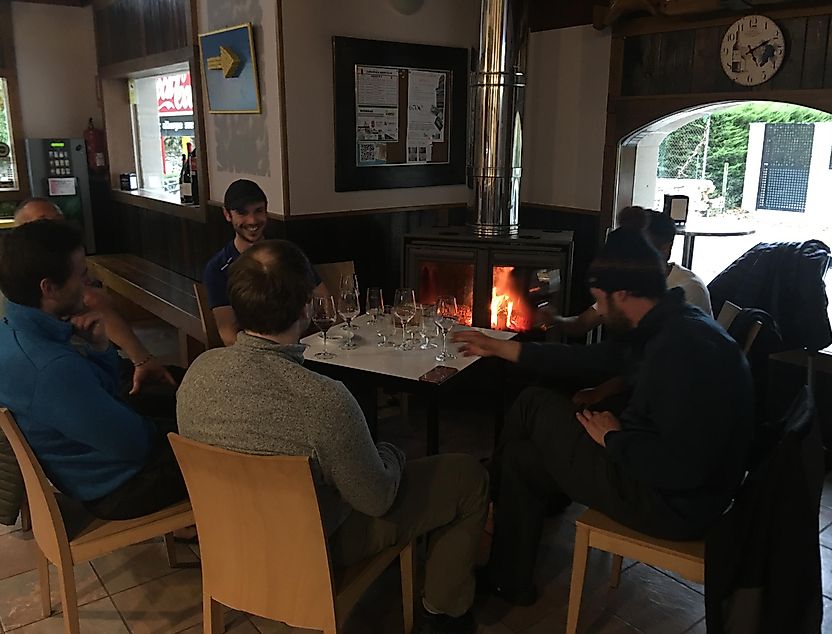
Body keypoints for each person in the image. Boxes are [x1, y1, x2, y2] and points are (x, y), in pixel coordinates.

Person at [179, 240, 488, 632]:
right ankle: (443, 612)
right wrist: (391, 452)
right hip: (313, 546)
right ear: (306, 307)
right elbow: (377, 499)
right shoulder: (323, 401)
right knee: (466, 478)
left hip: (229, 540)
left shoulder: (196, 375)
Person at [453, 216, 753, 605]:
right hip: (661, 477)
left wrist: (614, 439)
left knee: (531, 403)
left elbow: (685, 467)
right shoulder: (669, 324)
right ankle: (508, 580)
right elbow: (592, 359)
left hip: (672, 502)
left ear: (625, 294)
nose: (597, 308)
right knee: (522, 460)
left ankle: (482, 503)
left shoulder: (680, 352)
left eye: (600, 299)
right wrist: (501, 348)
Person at [0, 220, 187, 520]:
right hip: (118, 487)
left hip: (86, 466)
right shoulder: (49, 368)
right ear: (49, 288)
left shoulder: (12, 331)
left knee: (176, 389)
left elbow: (103, 395)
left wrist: (99, 350)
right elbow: (135, 445)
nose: (89, 285)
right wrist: (176, 429)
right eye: (82, 276)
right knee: (227, 444)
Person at [7, 198, 176, 397]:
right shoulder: (52, 363)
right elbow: (94, 300)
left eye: (59, 221)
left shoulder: (17, 287)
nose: (56, 229)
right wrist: (142, 360)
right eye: (45, 223)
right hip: (81, 377)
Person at [542, 206, 712, 338]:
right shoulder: (628, 281)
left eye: (640, 247)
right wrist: (553, 320)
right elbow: (581, 324)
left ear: (666, 249)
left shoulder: (687, 291)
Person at [203, 180, 328, 346]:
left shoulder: (287, 253)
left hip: (301, 347)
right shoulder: (217, 268)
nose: (252, 220)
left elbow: (323, 299)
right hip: (251, 356)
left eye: (258, 211)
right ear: (227, 214)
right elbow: (228, 335)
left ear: (266, 210)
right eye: (242, 213)